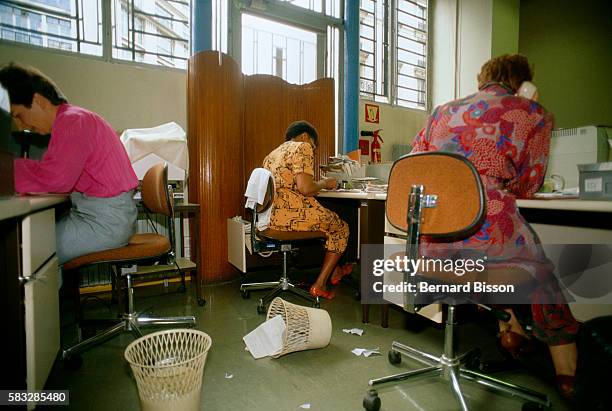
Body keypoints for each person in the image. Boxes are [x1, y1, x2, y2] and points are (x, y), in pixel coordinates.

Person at [409, 54, 580, 400]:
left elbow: (414, 168)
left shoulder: (441, 111)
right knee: (535, 267)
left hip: (435, 241)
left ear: (482, 79)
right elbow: (527, 187)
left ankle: (510, 326)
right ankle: (567, 373)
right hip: (490, 240)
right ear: (522, 82)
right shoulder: (532, 113)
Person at [0, 63, 138, 265]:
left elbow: (55, 178)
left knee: (32, 252)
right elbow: (55, 174)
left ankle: (44, 295)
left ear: (37, 100)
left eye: (18, 115)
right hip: (104, 216)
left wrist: (6, 171)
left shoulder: (73, 121)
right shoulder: (73, 119)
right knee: (35, 243)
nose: (21, 125)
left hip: (105, 222)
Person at [263, 120, 350, 300]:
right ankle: (320, 284)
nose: (313, 150)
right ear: (304, 136)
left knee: (327, 223)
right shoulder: (302, 146)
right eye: (314, 146)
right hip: (293, 215)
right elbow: (305, 188)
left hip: (272, 217)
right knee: (341, 228)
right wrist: (326, 182)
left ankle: (335, 272)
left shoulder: (271, 155)